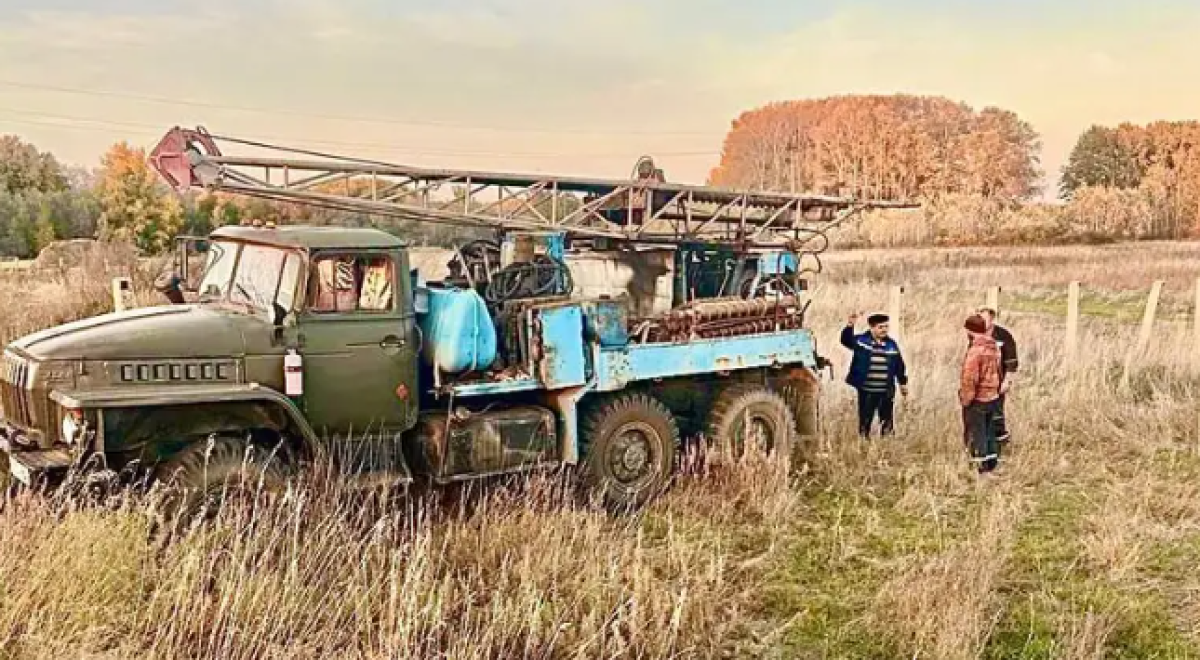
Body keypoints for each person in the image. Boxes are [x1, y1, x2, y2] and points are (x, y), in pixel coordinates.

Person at [841, 312, 908, 438]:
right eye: (880, 327)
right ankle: (864, 446)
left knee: (887, 421)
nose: (884, 330)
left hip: (886, 391)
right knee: (865, 420)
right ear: (872, 327)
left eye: (886, 327)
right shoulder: (862, 341)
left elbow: (899, 365)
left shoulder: (891, 344)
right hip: (867, 390)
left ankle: (886, 447)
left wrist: (903, 383)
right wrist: (850, 326)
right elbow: (846, 340)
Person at [960, 314, 1003, 474]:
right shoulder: (994, 348)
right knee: (989, 431)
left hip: (978, 398)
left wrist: (966, 399)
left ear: (969, 331)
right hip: (993, 396)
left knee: (976, 432)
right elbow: (999, 372)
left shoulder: (975, 351)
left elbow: (970, 378)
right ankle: (992, 462)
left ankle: (979, 467)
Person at [976, 307, 1018, 443]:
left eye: (985, 319)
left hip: (998, 381)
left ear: (992, 319)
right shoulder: (975, 335)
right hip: (980, 382)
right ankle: (985, 443)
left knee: (997, 414)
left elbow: (1011, 360)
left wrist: (1007, 381)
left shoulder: (1003, 335)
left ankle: (1001, 443)